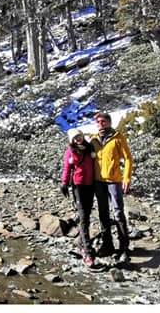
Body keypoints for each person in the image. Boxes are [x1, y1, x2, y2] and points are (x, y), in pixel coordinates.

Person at [90, 112, 133, 263]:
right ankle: (107, 245)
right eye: (98, 122)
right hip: (98, 181)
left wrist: (126, 177)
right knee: (103, 213)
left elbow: (128, 158)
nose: (101, 124)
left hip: (114, 180)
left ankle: (124, 248)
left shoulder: (117, 137)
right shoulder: (94, 139)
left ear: (109, 122)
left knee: (119, 213)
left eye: (103, 121)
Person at [61, 127, 97, 266]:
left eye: (79, 136)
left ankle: (82, 242)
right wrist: (64, 184)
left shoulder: (90, 148)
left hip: (91, 185)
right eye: (75, 138)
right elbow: (67, 168)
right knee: (83, 217)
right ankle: (87, 251)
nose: (78, 139)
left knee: (87, 216)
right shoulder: (70, 151)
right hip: (79, 186)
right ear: (72, 140)